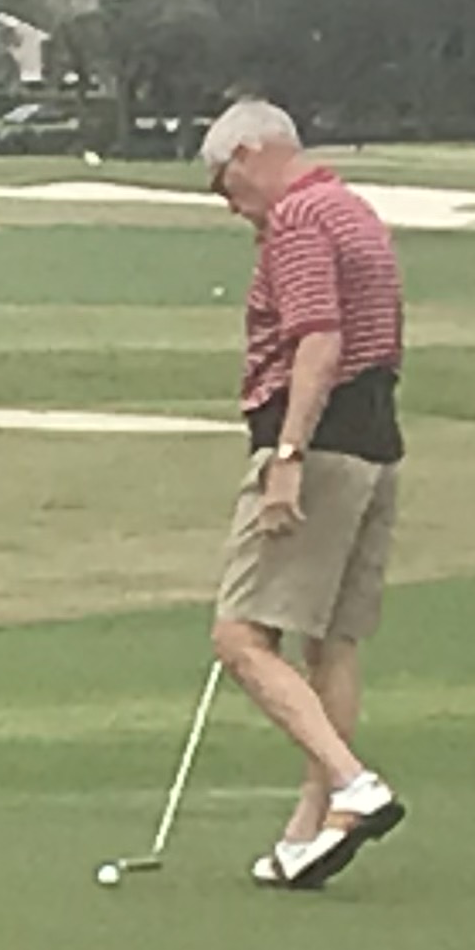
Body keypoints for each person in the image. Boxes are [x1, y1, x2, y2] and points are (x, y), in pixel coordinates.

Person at [197, 96, 408, 889]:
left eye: (225, 182)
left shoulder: (297, 220)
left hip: (318, 445)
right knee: (333, 641)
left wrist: (287, 455)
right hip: (376, 444)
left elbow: (319, 339)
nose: (228, 202)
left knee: (241, 637)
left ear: (252, 151)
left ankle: (354, 787)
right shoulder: (352, 210)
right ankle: (311, 830)